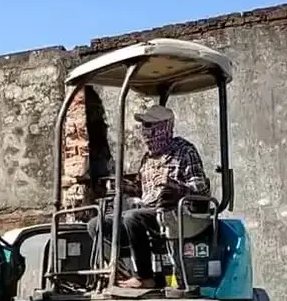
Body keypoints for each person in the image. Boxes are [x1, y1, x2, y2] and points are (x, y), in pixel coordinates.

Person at [86, 104, 210, 289]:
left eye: (150, 125)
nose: (146, 132)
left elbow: (200, 188)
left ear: (164, 127)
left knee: (133, 218)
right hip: (148, 211)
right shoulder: (147, 159)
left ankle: (145, 278)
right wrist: (126, 187)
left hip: (176, 212)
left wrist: (176, 188)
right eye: (144, 125)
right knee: (96, 224)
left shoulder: (185, 151)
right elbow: (142, 191)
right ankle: (119, 273)